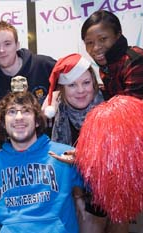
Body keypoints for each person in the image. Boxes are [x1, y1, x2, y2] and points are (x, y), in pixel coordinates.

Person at [81, 10, 143, 233]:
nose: (95, 47)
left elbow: (127, 115)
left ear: (118, 35)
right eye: (89, 42)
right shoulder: (107, 67)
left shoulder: (139, 61)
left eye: (102, 39)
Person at [0, 91, 84, 232]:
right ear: (3, 124)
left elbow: (101, 189)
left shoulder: (64, 155)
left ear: (37, 121)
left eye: (26, 111)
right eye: (11, 112)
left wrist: (87, 164)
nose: (19, 117)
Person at [44, 53, 128, 233]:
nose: (81, 90)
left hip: (115, 190)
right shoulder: (55, 114)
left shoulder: (111, 105)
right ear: (63, 89)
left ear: (95, 83)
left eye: (86, 83)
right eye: (72, 85)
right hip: (77, 193)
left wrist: (84, 157)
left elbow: (124, 156)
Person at [0, 20, 56, 103]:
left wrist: (55, 98)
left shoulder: (43, 65)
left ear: (17, 45)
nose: (1, 50)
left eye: (7, 44)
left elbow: (70, 81)